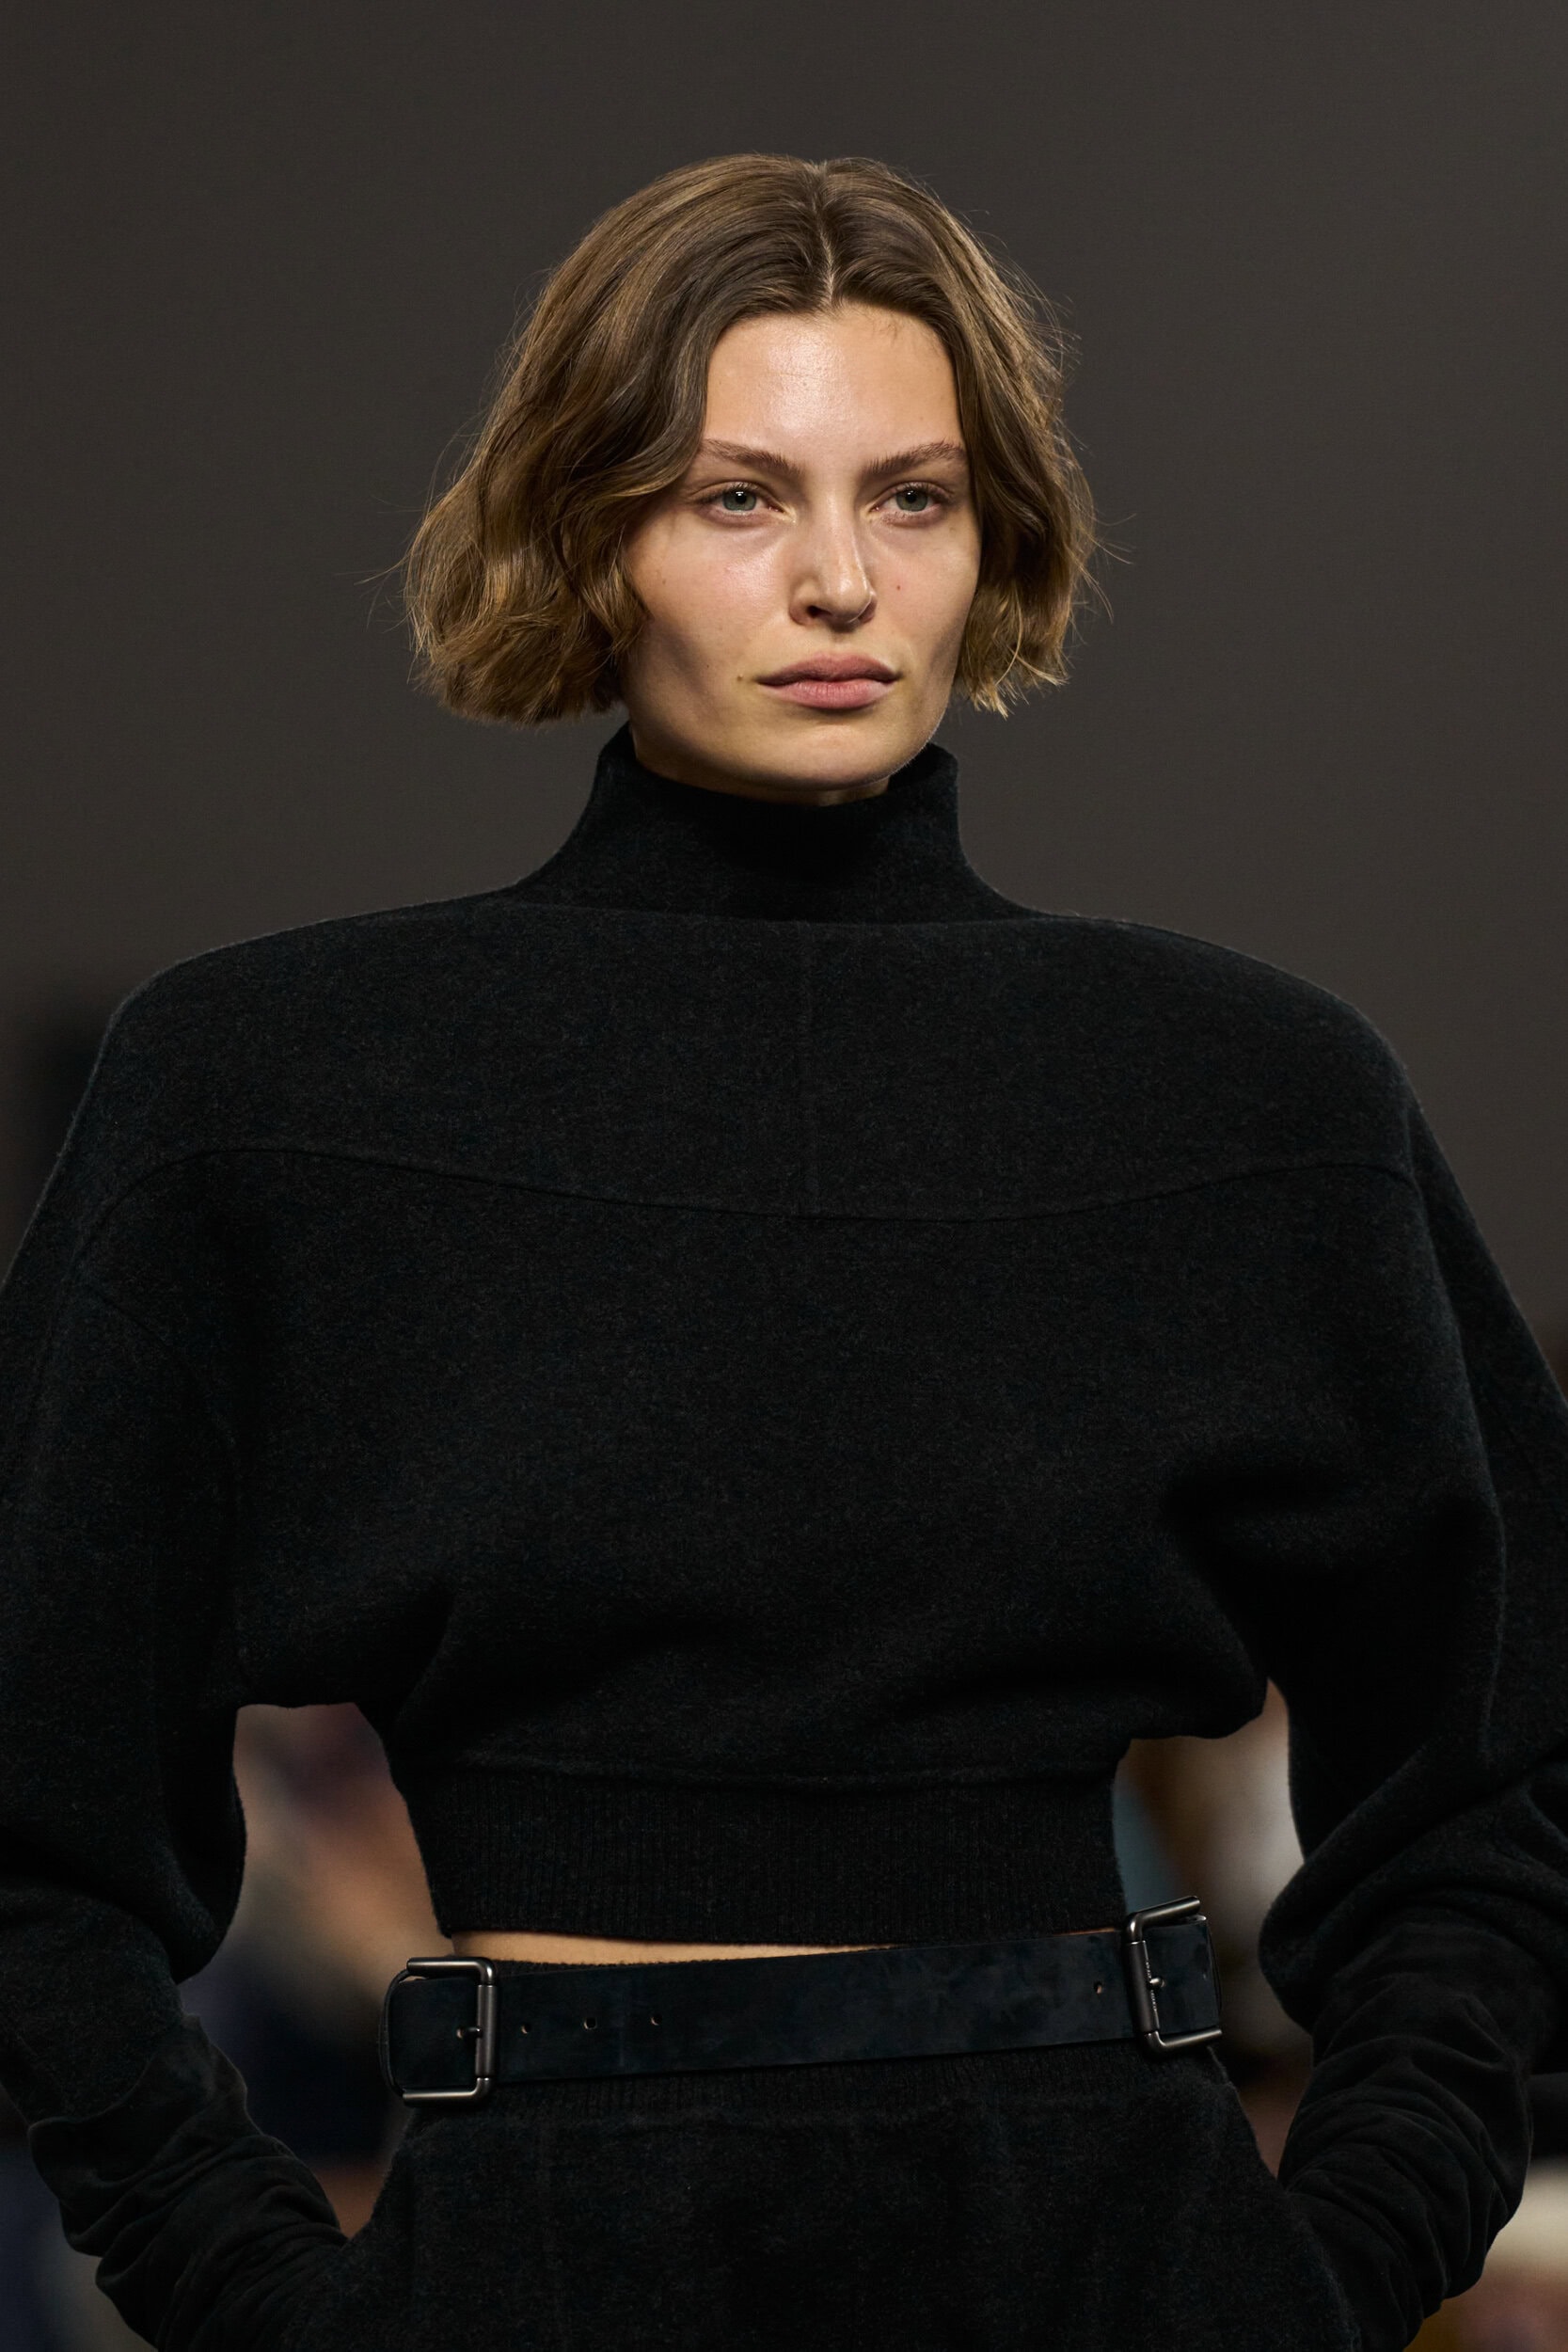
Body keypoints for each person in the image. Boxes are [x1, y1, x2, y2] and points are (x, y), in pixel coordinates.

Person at [1, 151, 1565, 2352]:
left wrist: (1325, 2276)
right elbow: (32, 1813)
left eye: (913, 496)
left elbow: (1499, 1774)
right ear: (589, 535)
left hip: (1113, 2242)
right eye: (739, 496)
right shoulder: (280, 1092)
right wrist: (262, 2299)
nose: (839, 579)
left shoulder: (1252, 1099)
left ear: (997, 540)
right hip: (541, 2248)